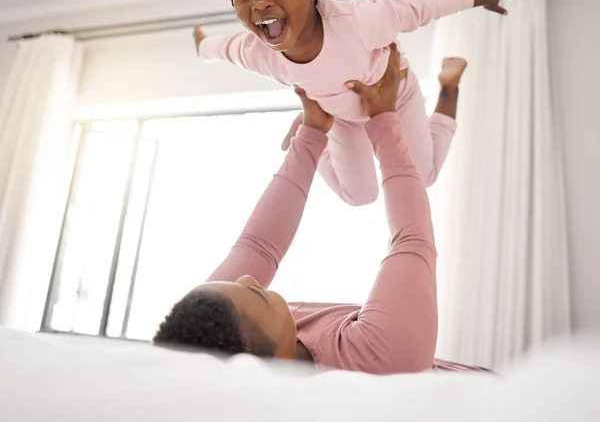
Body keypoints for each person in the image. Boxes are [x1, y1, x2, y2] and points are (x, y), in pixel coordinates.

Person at [154, 45, 486, 374]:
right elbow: (412, 239)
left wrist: (312, 133)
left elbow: (258, 245)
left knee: (394, 179)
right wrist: (384, 119)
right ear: (264, 364)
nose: (247, 277)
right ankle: (448, 90)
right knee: (418, 173)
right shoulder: (380, 360)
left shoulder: (211, 323)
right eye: (256, 292)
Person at [193, 0, 522, 206]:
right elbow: (223, 48)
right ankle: (306, 130)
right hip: (341, 114)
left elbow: (422, 5)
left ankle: (449, 87)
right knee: (359, 196)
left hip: (395, 94)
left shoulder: (360, 24)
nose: (261, 2)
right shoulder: (259, 54)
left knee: (423, 177)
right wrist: (201, 46)